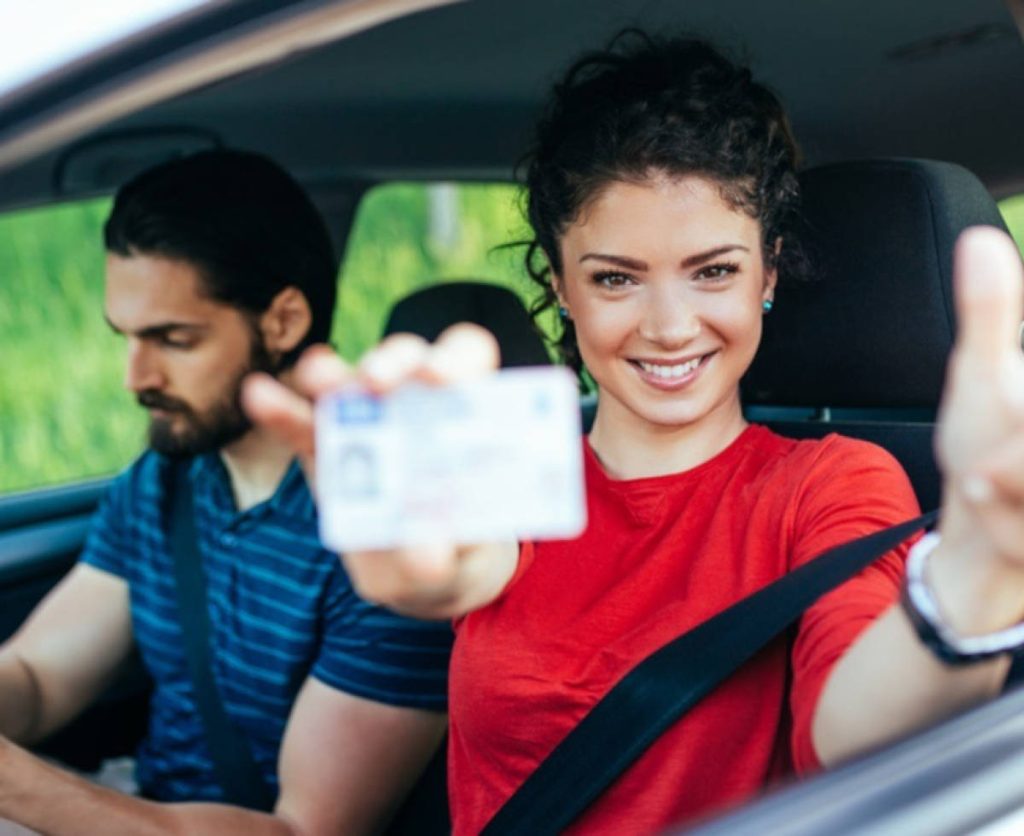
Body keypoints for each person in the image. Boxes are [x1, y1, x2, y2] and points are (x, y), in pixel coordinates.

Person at [244, 33, 1024, 834]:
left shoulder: (831, 485)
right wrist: (420, 563)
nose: (670, 327)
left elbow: (856, 736)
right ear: (561, 287)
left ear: (770, 272)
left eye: (713, 270)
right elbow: (462, 564)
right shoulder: (514, 468)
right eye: (616, 278)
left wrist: (976, 577)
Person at [0, 150, 452, 835]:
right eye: (125, 338)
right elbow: (36, 679)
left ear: (283, 323)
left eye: (173, 340)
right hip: (132, 799)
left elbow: (303, 831)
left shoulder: (388, 540)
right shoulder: (161, 484)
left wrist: (17, 788)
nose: (135, 377)